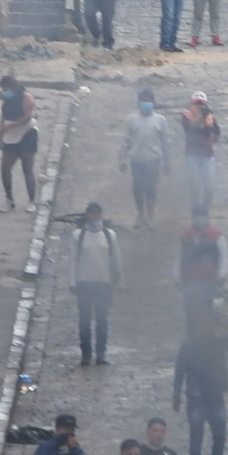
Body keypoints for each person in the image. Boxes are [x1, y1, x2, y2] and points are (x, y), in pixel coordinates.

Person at [173, 308, 228, 455]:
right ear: (198, 325)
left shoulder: (219, 343)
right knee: (197, 437)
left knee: (219, 435)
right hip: (196, 397)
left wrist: (226, 323)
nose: (207, 327)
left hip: (215, 396)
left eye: (210, 323)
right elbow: (179, 371)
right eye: (204, 323)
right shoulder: (188, 345)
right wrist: (176, 394)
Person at [70, 200, 121, 367]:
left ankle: (101, 353)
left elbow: (115, 260)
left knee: (102, 320)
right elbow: (73, 261)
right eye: (91, 213)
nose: (94, 216)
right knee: (84, 321)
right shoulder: (78, 235)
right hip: (84, 282)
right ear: (88, 215)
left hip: (104, 283)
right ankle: (86, 354)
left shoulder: (109, 235)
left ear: (101, 214)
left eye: (97, 213)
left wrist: (117, 280)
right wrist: (72, 281)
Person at [120, 88, 172, 225]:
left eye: (149, 101)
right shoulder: (132, 120)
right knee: (137, 188)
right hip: (136, 160)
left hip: (153, 161)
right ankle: (140, 214)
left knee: (150, 189)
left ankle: (150, 216)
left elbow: (166, 142)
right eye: (143, 101)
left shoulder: (160, 120)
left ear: (153, 103)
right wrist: (122, 159)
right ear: (138, 103)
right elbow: (125, 140)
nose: (146, 103)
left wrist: (167, 162)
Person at [0, 74, 38, 206]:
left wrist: (12, 125)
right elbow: (3, 118)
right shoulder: (7, 99)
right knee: (5, 168)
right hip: (10, 134)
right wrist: (0, 136)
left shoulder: (27, 98)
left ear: (12, 87)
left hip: (27, 133)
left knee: (27, 169)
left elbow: (28, 116)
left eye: (6, 90)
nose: (5, 93)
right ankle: (9, 199)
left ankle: (31, 201)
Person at [180, 90, 220, 217]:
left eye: (201, 104)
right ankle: (195, 212)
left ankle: (205, 211)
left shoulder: (210, 116)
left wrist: (210, 143)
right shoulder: (187, 115)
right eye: (197, 104)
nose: (199, 106)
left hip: (207, 156)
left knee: (209, 187)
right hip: (192, 155)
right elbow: (191, 126)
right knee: (195, 186)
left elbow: (217, 132)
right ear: (191, 104)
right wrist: (200, 117)